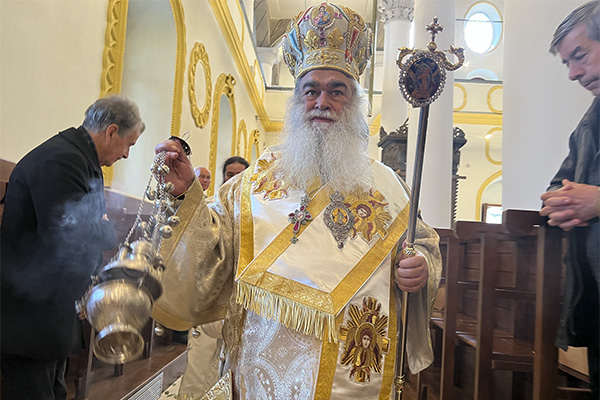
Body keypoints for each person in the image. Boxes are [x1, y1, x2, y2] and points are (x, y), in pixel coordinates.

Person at [153, 3, 441, 398]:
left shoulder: (388, 187)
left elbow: (422, 244)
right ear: (296, 99)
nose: (322, 102)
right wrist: (188, 193)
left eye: (336, 91)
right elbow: (212, 254)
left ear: (354, 102)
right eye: (311, 91)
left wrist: (420, 267)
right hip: (261, 378)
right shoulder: (252, 184)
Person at [0, 94, 145, 400]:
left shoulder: (78, 158)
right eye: (128, 144)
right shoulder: (62, 160)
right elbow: (64, 230)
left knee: (54, 389)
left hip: (50, 306)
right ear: (112, 131)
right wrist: (106, 230)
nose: (126, 154)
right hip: (31, 310)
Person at [540, 1, 600, 397]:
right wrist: (558, 205)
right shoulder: (589, 124)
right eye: (567, 63)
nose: (573, 73)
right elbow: (557, 186)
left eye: (580, 55)